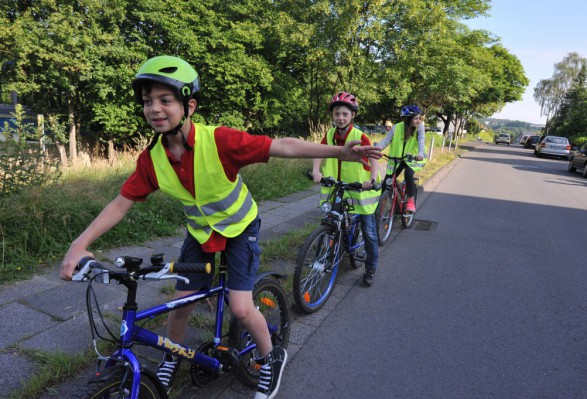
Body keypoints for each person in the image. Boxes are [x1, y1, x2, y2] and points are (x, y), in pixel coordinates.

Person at [59, 56, 381, 399]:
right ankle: (172, 357)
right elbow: (121, 202)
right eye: (147, 101)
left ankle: (271, 357)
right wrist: (79, 245)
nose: (154, 109)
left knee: (241, 307)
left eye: (165, 100)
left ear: (189, 105)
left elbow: (282, 145)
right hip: (201, 235)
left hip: (241, 229)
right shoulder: (151, 158)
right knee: (180, 305)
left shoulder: (220, 141)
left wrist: (340, 152)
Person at [311, 92, 380, 287]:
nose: (340, 118)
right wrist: (316, 170)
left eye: (345, 114)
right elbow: (318, 151)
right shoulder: (330, 135)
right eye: (336, 114)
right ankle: (323, 259)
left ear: (352, 116)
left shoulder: (360, 136)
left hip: (361, 190)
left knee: (369, 232)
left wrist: (372, 179)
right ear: (332, 116)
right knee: (330, 221)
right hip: (339, 187)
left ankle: (371, 268)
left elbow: (373, 157)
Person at [377, 104, 426, 213]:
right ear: (408, 119)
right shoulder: (396, 127)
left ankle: (410, 201)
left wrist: (420, 153)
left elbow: (421, 140)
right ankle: (385, 207)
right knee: (387, 183)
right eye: (416, 118)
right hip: (397, 159)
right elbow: (385, 141)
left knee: (408, 174)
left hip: (413, 158)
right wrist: (376, 150)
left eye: (419, 118)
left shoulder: (420, 127)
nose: (418, 121)